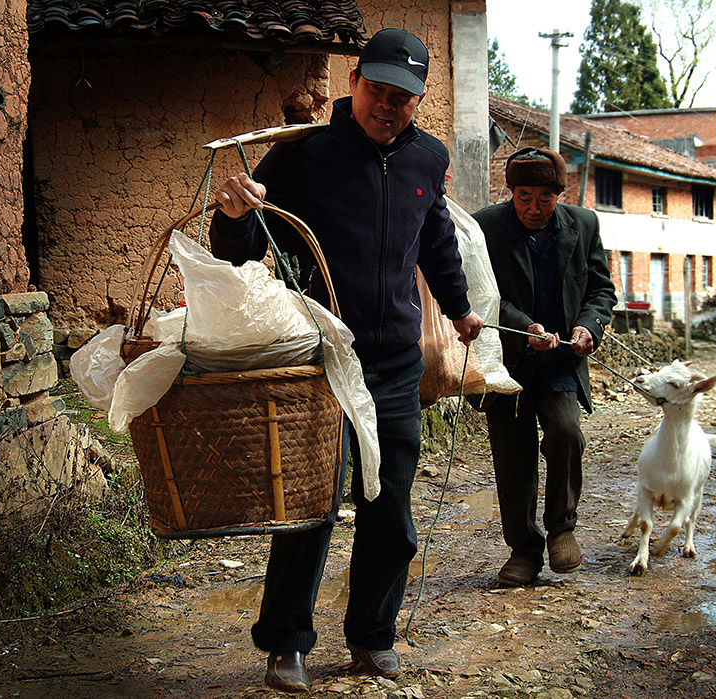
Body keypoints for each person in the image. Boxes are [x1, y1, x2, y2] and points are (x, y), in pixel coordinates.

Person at [209, 28, 483, 693]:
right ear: (353, 79)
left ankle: (371, 634)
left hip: (393, 365)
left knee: (391, 508)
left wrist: (458, 306)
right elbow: (243, 251)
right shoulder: (306, 154)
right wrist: (236, 213)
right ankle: (286, 644)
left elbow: (437, 240)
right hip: (319, 357)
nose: (388, 107)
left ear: (417, 103)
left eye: (404, 99)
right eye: (379, 91)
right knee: (311, 505)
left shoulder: (426, 160)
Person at [472, 147, 616, 587]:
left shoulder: (585, 225)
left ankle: (562, 528)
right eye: (524, 197)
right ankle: (524, 549)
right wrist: (523, 326)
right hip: (507, 360)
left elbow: (601, 291)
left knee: (566, 431)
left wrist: (589, 328)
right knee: (512, 457)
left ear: (560, 194)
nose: (534, 208)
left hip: (560, 360)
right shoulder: (486, 227)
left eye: (544, 199)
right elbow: (482, 295)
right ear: (510, 191)